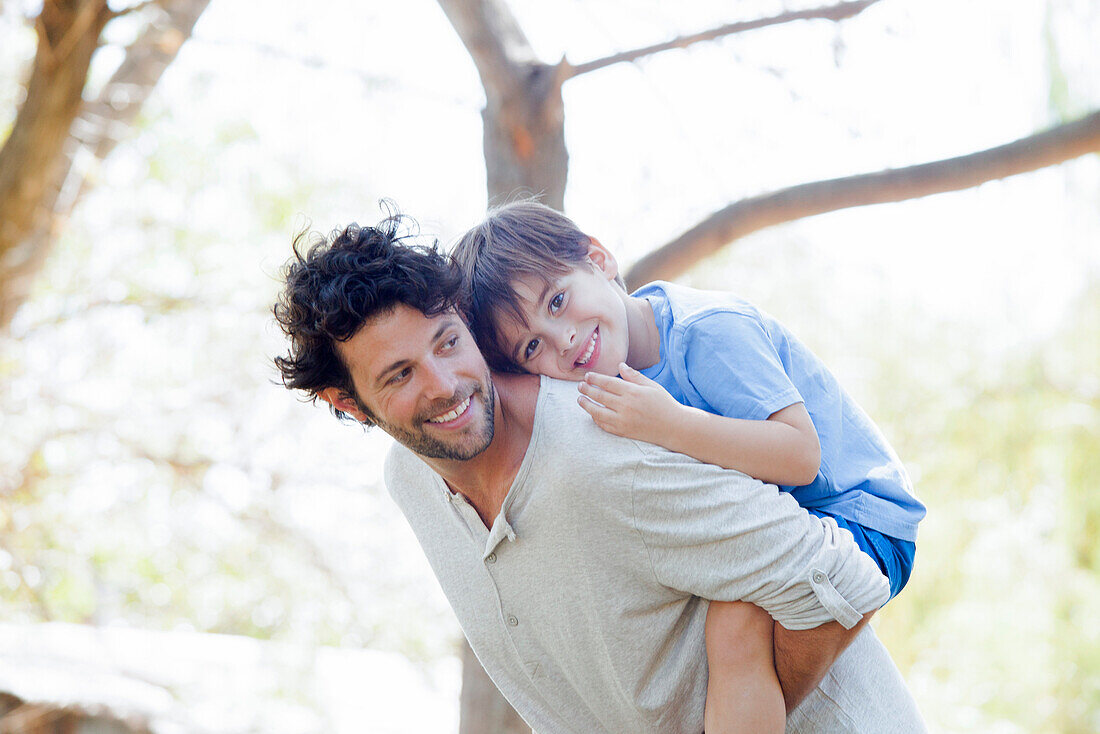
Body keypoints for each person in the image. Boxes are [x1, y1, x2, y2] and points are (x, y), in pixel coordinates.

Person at [272, 210, 926, 733]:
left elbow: (838, 571)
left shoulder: (611, 431)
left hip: (862, 514)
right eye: (400, 374)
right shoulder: (411, 480)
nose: (445, 385)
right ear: (348, 404)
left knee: (737, 627)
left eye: (447, 342)